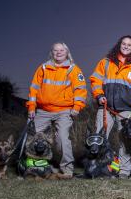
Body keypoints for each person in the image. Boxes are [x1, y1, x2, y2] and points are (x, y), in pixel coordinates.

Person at [26, 42, 87, 178]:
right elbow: (33, 89)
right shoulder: (43, 68)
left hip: (64, 111)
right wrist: (31, 107)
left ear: (67, 53)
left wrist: (77, 107)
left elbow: (80, 90)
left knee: (62, 139)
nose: (58, 53)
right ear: (52, 53)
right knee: (32, 137)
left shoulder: (73, 69)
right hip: (43, 111)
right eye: (55, 50)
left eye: (61, 50)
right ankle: (33, 166)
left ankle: (67, 170)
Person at [90, 35, 131, 178]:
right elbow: (95, 80)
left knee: (125, 141)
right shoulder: (106, 62)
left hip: (127, 110)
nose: (126, 46)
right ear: (119, 45)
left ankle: (123, 171)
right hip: (106, 107)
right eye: (124, 44)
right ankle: (95, 168)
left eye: (129, 45)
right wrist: (98, 95)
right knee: (99, 138)